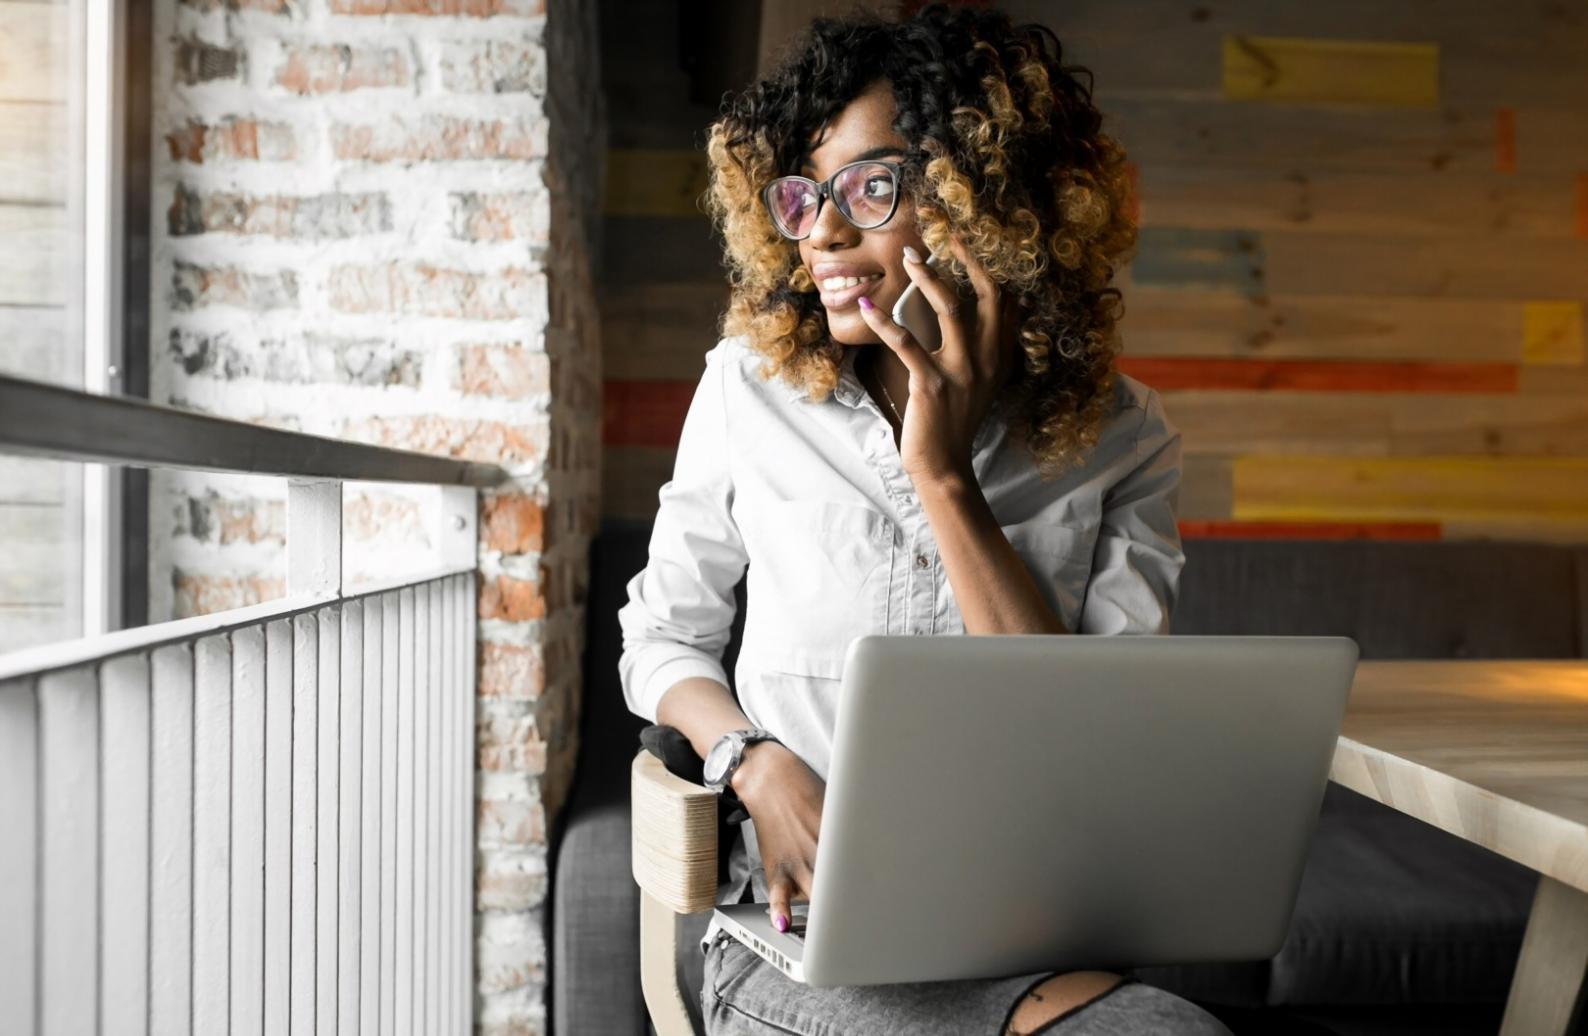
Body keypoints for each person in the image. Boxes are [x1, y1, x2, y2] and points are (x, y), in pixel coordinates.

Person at [617, 5, 1231, 1033]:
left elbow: (1080, 747)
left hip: (1028, 937)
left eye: (872, 187)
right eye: (805, 195)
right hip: (795, 940)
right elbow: (659, 636)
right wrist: (751, 762)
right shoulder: (746, 390)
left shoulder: (1123, 440)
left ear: (986, 203)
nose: (824, 232)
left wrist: (943, 479)